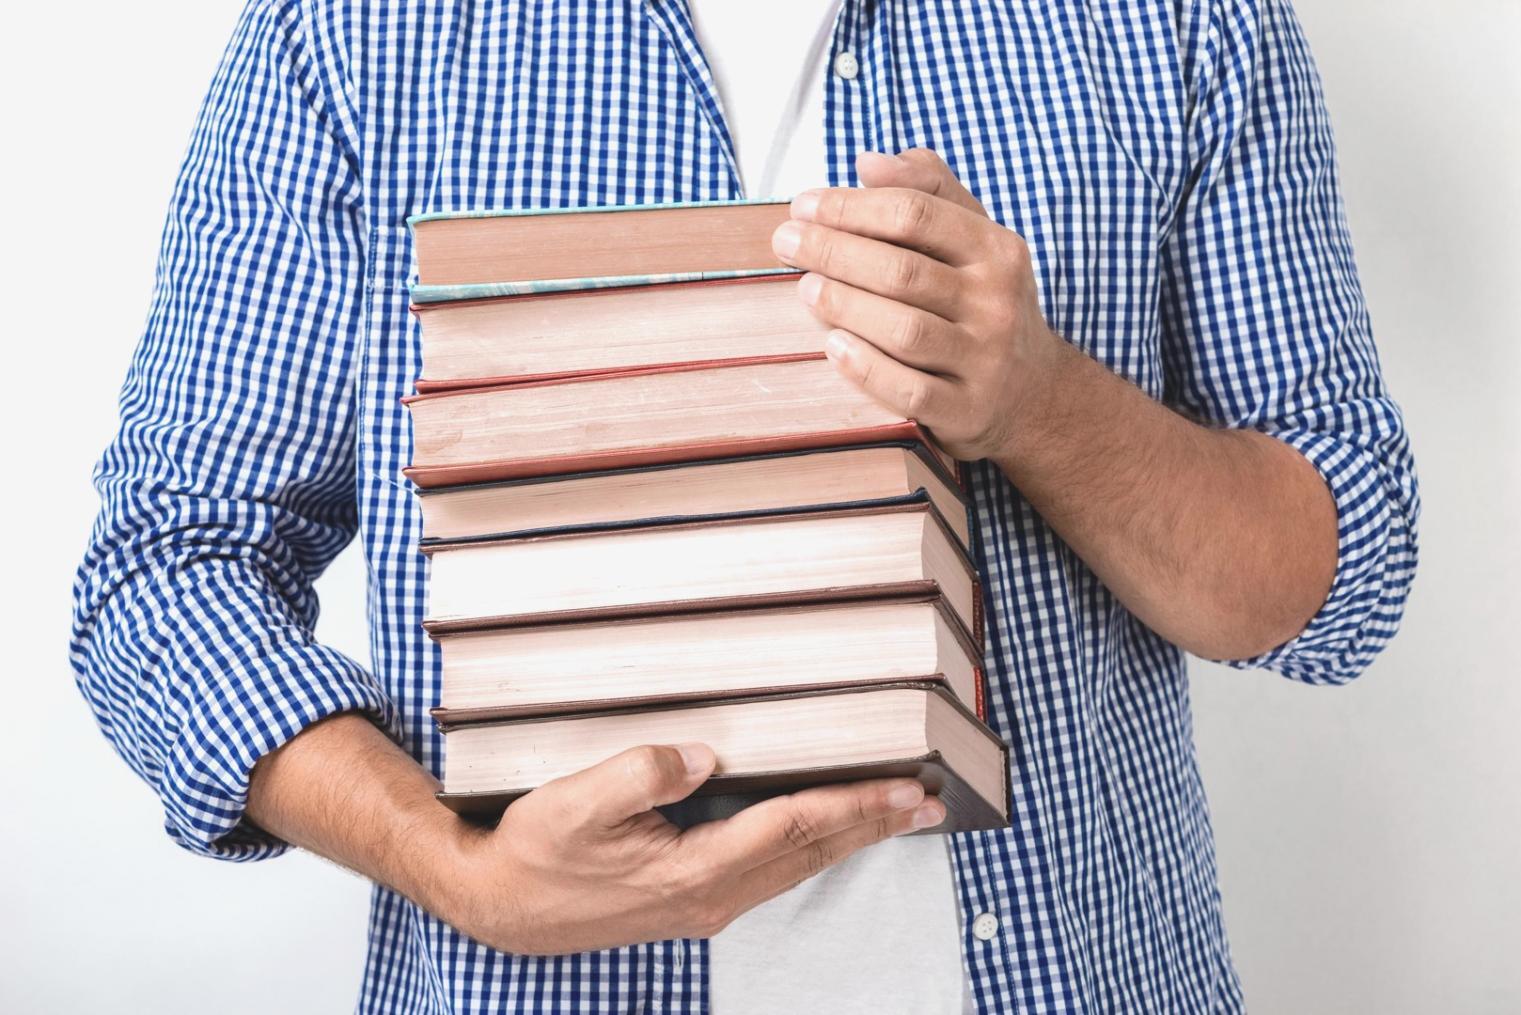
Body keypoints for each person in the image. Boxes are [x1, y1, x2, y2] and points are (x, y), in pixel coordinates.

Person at [69, 0, 1419, 1012]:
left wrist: (1039, 401)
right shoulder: (357, 34)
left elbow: (1339, 583)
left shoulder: (1177, 18)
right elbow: (166, 568)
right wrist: (449, 868)